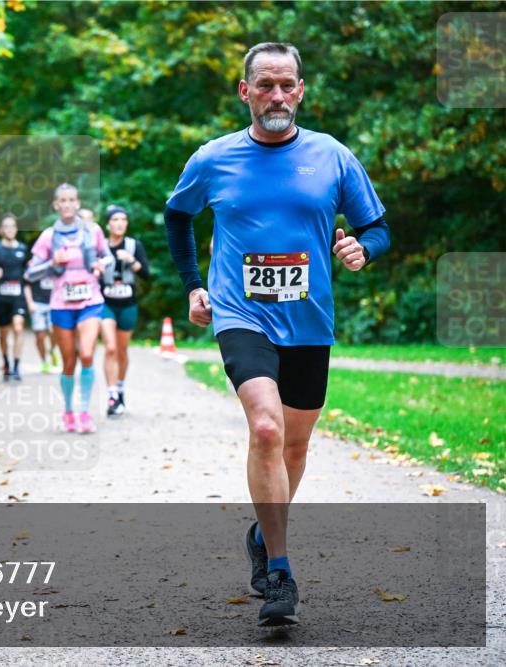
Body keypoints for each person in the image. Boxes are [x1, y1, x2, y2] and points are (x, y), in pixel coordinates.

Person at [164, 42, 390, 627]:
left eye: (287, 84)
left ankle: (264, 533)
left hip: (309, 320)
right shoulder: (213, 159)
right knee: (265, 427)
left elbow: (377, 226)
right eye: (265, 85)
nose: (277, 96)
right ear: (245, 92)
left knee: (294, 446)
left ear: (301, 89)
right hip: (242, 314)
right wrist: (194, 284)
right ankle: (280, 575)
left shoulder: (331, 156)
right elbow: (177, 214)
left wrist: (361, 248)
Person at [25, 184, 113, 434]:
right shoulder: (48, 236)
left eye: (71, 200)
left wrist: (100, 264)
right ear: (55, 205)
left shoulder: (92, 231)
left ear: (77, 203)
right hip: (61, 304)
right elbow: (30, 273)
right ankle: (68, 411)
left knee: (86, 354)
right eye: (62, 200)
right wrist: (52, 262)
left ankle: (84, 412)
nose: (67, 204)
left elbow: (109, 258)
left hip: (90, 301)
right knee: (68, 361)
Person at [98, 205, 150, 417]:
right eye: (115, 219)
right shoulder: (100, 246)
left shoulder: (133, 245)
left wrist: (132, 261)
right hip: (105, 303)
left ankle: (119, 387)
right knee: (109, 348)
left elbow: (146, 274)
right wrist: (97, 266)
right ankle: (111, 395)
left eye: (123, 219)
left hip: (128, 303)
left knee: (121, 350)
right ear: (108, 224)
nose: (119, 223)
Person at [0, 214, 28, 381]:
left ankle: (16, 367)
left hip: (18, 295)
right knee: (3, 332)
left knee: (18, 327)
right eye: (6, 226)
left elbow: (27, 271)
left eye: (13, 226)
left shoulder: (22, 249)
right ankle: (6, 363)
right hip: (1, 296)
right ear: (0, 230)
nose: (10, 229)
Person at [24, 268, 60, 374]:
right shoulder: (33, 265)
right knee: (40, 336)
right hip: (37, 304)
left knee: (55, 331)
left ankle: (53, 350)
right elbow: (27, 285)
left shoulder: (57, 263)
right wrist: (30, 302)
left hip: (54, 303)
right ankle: (44, 361)